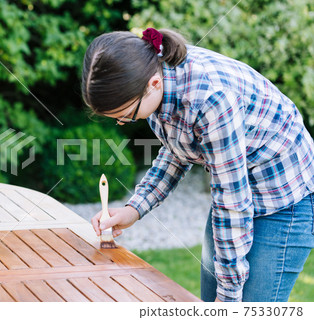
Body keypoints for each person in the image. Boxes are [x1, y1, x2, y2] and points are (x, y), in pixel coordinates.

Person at [82, 27, 314, 302]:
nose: (122, 123)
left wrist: (228, 297)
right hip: (238, 189)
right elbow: (176, 152)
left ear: (153, 84)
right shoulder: (158, 84)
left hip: (284, 199)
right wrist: (134, 208)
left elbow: (232, 202)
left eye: (124, 114)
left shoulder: (210, 100)